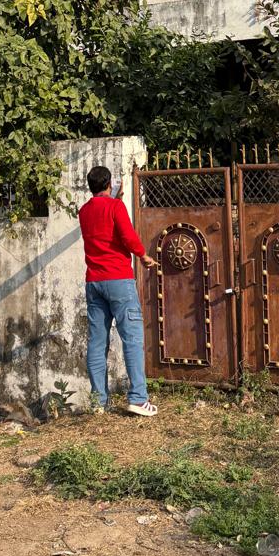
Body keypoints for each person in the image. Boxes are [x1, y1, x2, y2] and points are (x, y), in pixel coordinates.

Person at [78, 164, 157, 417]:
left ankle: (98, 402)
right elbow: (127, 236)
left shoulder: (84, 211)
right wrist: (143, 255)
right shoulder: (115, 207)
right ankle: (138, 399)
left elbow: (102, 223)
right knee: (132, 339)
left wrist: (116, 199)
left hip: (94, 282)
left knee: (97, 343)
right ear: (109, 183)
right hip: (119, 280)